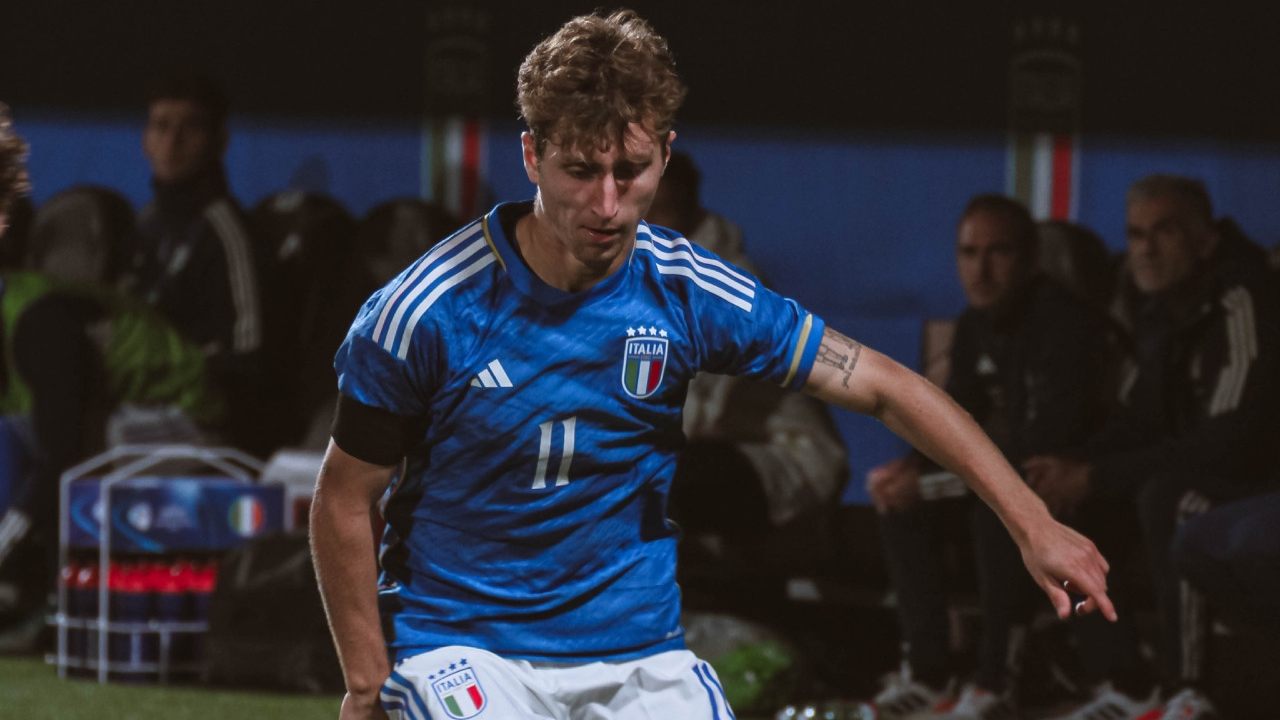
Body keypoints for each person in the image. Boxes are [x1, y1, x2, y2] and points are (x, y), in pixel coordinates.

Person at [310, 11, 1115, 720]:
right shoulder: (427, 312)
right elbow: (344, 497)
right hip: (464, 649)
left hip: (637, 656)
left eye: (630, 171)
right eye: (580, 171)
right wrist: (366, 685)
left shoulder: (686, 288)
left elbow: (883, 386)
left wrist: (1032, 523)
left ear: (665, 155)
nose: (607, 204)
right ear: (531, 154)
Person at [1025, 175, 1280, 720]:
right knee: (1062, 509)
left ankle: (1189, 690)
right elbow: (1139, 419)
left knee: (1170, 500)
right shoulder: (1160, 307)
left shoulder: (1243, 295)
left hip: (1257, 480)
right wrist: (1076, 469)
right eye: (1136, 234)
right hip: (1200, 469)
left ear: (1206, 240)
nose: (1145, 249)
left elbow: (1232, 440)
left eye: (1164, 232)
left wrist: (1098, 475)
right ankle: (1127, 683)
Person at [863, 196, 1114, 719]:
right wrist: (912, 467)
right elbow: (953, 420)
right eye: (969, 253)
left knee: (996, 511)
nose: (981, 270)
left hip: (1071, 481)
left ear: (1030, 259)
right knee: (896, 499)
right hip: (1013, 475)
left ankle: (996, 682)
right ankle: (929, 675)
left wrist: (927, 483)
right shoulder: (975, 324)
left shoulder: (1064, 323)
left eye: (999, 252)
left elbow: (1045, 441)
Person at [0, 104, 220, 649]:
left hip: (189, 420)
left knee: (68, 463)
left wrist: (7, 537)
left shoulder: (40, 325)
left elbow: (66, 456)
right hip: (114, 418)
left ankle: (58, 606)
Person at [650, 150, 847, 559]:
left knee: (654, 470)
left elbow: (697, 412)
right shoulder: (655, 277)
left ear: (684, 208)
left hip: (786, 458)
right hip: (721, 453)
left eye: (657, 209)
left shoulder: (728, 284)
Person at [121, 73, 264, 453]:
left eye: (191, 127)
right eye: (161, 126)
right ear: (145, 140)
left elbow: (248, 359)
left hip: (205, 425)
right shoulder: (145, 225)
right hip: (138, 406)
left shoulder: (226, 231)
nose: (172, 142)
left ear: (219, 141)